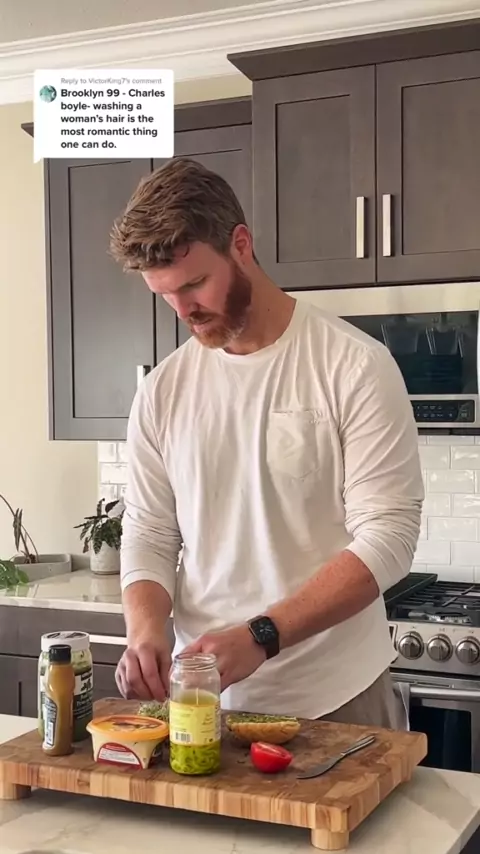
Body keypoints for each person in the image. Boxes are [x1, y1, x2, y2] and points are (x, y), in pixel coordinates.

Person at [109, 157, 424, 728]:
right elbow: (150, 532)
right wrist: (146, 630)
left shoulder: (353, 365)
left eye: (194, 284)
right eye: (165, 295)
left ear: (241, 245)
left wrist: (261, 636)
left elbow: (389, 537)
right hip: (207, 703)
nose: (184, 311)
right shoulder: (162, 392)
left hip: (338, 697)